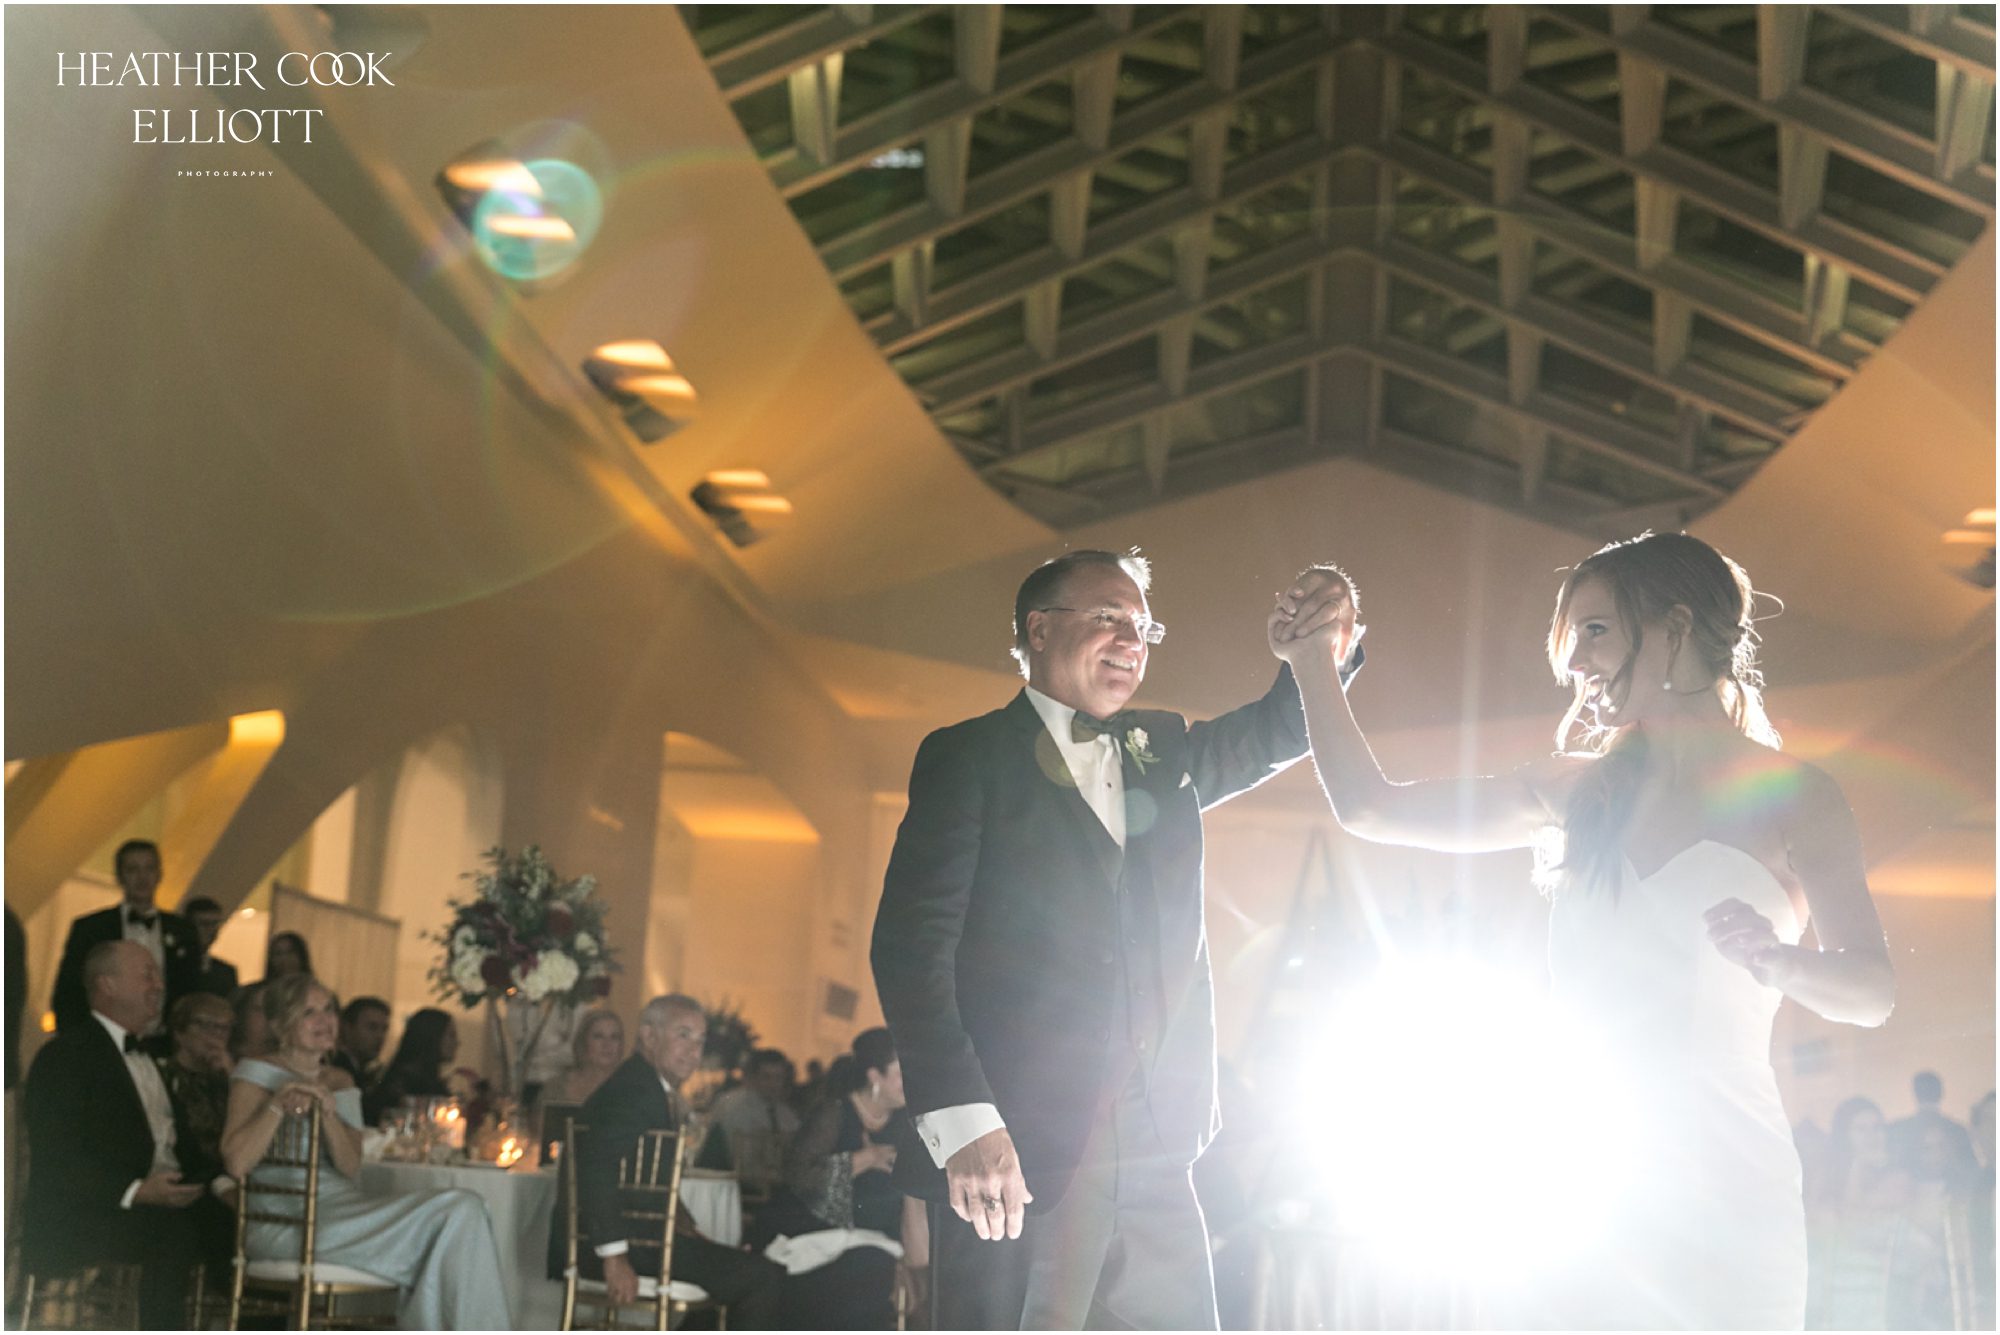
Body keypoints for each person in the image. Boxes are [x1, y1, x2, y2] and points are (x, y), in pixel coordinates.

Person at [1272, 532, 1896, 1328]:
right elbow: (1371, 806)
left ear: (1676, 627)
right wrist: (1313, 664)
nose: (1574, 662)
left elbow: (1872, 991)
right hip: (1578, 1192)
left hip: (1729, 1195)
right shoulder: (1571, 791)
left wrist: (1781, 962)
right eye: (1571, 639)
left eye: (1595, 630)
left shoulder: (1798, 797)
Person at [872, 548, 1354, 1329]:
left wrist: (1320, 647)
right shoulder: (966, 756)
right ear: (1038, 629)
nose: (1132, 641)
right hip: (1017, 1146)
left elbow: (1273, 731)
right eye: (1108, 618)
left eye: (1143, 626)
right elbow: (910, 945)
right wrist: (965, 1121)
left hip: (1158, 1145)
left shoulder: (1159, 750)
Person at [222, 974, 511, 1328]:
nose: (325, 1021)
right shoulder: (256, 1071)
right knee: (447, 1237)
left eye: (329, 1010)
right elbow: (236, 1162)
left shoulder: (340, 1080)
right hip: (284, 1222)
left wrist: (327, 1111)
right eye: (309, 1012)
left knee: (464, 1208)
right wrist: (277, 1104)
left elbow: (349, 1166)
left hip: (342, 1209)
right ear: (282, 1023)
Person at [22, 941, 225, 1326]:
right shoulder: (65, 1056)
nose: (159, 985)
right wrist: (137, 1191)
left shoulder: (151, 1059)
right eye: (147, 975)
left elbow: (185, 1150)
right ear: (107, 985)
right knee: (175, 1233)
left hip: (158, 1204)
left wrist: (223, 1185)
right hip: (89, 1210)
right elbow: (58, 1155)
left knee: (240, 1227)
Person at [576, 994, 788, 1326]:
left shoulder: (646, 1085)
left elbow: (651, 1183)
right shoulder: (633, 1091)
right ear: (649, 1036)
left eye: (700, 1040)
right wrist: (614, 1257)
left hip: (640, 1240)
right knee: (763, 1277)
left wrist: (693, 1234)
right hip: (620, 1246)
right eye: (683, 1035)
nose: (694, 1051)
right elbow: (595, 1167)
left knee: (749, 1273)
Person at [772, 1027, 922, 1327]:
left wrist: (914, 1262)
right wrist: (866, 1158)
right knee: (862, 1277)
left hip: (883, 1242)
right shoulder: (835, 1112)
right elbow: (798, 1175)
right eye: (901, 1073)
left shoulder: (905, 1124)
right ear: (875, 1076)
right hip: (821, 1236)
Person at [50, 839, 202, 1033]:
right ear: (119, 877)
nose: (142, 878)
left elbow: (192, 991)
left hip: (165, 1042)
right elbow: (69, 990)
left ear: (159, 875)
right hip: (103, 1039)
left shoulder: (183, 930)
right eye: (133, 870)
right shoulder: (91, 928)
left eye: (149, 869)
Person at [156, 991, 237, 1273]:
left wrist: (231, 1078)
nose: (216, 1036)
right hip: (183, 1174)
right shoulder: (163, 1075)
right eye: (206, 1026)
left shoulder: (228, 1080)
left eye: (223, 1028)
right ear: (180, 1032)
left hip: (228, 1174)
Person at [712, 1047, 802, 1198]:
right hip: (737, 1190)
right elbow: (740, 1161)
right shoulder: (734, 1105)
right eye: (766, 1077)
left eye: (778, 1078)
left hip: (774, 1189)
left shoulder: (786, 1114)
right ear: (753, 1077)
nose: (773, 1084)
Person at [365, 1007, 457, 1125]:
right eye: (451, 1035)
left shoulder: (425, 1078)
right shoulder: (405, 1081)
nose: (456, 1042)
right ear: (433, 1036)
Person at [1889, 1070, 1980, 1187]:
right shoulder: (1958, 1130)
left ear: (1915, 1092)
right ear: (1941, 1092)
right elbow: (1972, 1169)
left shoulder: (1898, 1129)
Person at [545, 1007, 625, 1106]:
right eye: (598, 1036)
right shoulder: (556, 1087)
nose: (607, 1044)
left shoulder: (632, 1088)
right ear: (583, 1042)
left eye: (614, 1037)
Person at [329, 996, 390, 1096]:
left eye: (384, 1029)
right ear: (348, 1028)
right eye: (372, 1027)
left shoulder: (359, 1070)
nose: (380, 1036)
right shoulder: (337, 1068)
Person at [180, 896, 238, 999]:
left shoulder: (226, 971)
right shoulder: (173, 965)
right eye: (204, 924)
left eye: (215, 924)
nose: (211, 930)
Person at [230, 980, 273, 1061]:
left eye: (271, 1010)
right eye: (258, 1010)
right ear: (242, 1012)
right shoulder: (221, 1053)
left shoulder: (287, 1057)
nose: (268, 1016)